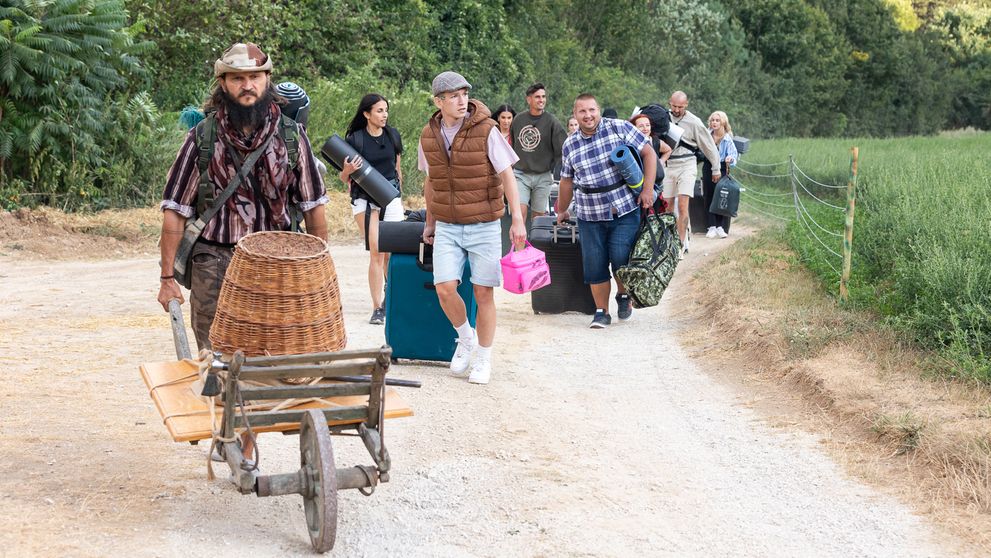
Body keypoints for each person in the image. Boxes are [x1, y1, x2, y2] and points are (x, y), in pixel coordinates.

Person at [157, 42, 328, 462]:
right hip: (215, 258)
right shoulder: (202, 137)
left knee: (271, 348)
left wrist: (323, 262)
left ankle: (245, 435)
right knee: (215, 351)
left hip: (276, 262)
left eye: (254, 77)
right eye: (237, 78)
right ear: (224, 84)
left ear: (268, 81)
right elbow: (175, 212)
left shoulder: (292, 136)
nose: (247, 85)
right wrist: (165, 279)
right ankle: (229, 426)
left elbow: (313, 205)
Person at [418, 71, 526, 385]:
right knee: (444, 288)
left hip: (484, 223)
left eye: (464, 93)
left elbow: (507, 174)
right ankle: (465, 336)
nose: (462, 100)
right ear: (439, 101)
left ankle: (484, 358)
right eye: (453, 96)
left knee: (483, 292)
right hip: (448, 225)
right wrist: (429, 220)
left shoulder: (487, 129)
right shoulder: (429, 133)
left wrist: (516, 219)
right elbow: (431, 180)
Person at [557, 94, 656, 328]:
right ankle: (601, 312)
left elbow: (648, 152)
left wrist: (647, 190)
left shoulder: (619, 128)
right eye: (582, 112)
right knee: (594, 263)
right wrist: (561, 210)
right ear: (575, 115)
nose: (588, 115)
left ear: (598, 110)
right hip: (589, 213)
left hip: (623, 207)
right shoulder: (570, 144)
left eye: (591, 110)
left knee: (620, 256)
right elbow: (566, 181)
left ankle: (623, 295)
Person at [339, 94, 405, 324]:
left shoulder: (393, 135)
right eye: (379, 110)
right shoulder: (355, 139)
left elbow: (397, 169)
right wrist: (347, 170)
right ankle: (377, 307)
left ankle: (392, 298)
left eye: (385, 110)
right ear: (367, 114)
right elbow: (343, 178)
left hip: (391, 199)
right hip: (364, 201)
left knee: (391, 253)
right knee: (377, 253)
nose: (384, 114)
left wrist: (399, 195)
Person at [661, 91, 719, 259]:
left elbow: (708, 145)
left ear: (686, 105)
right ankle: (670, 240)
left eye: (680, 107)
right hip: (668, 164)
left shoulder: (694, 122)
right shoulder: (663, 118)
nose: (677, 109)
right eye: (674, 106)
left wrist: (716, 168)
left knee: (682, 205)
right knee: (668, 207)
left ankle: (679, 244)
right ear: (669, 103)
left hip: (687, 164)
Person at [509, 83, 567, 219]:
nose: (541, 100)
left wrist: (554, 167)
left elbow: (564, 148)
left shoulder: (552, 121)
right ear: (529, 99)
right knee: (519, 214)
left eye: (543, 96)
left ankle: (534, 241)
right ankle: (518, 241)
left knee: (538, 218)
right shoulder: (518, 120)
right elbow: (513, 144)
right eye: (537, 97)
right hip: (521, 174)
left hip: (543, 176)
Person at [703, 110, 739, 239]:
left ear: (723, 122)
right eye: (712, 120)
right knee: (709, 195)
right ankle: (711, 226)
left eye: (717, 120)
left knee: (721, 196)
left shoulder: (727, 138)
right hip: (708, 166)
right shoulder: (706, 135)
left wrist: (730, 158)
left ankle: (720, 226)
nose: (714, 122)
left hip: (723, 167)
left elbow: (734, 155)